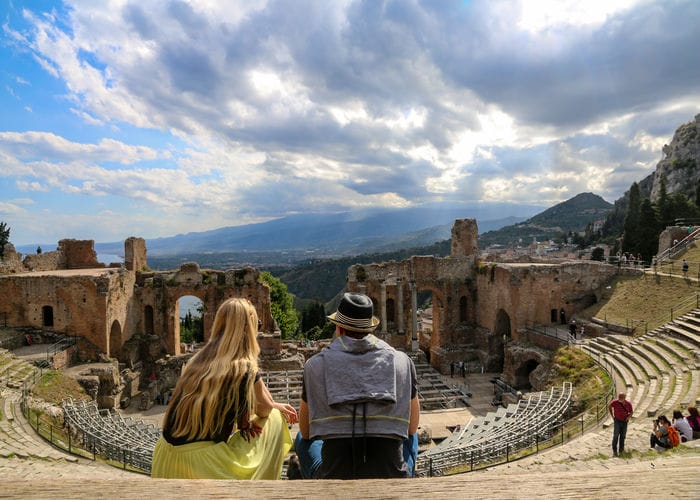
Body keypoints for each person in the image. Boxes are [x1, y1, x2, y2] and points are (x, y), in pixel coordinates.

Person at [151, 298, 298, 479]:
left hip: (165, 458)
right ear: (248, 328)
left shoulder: (195, 361)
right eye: (257, 325)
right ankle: (263, 488)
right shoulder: (242, 367)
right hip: (203, 464)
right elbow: (266, 409)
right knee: (275, 417)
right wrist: (273, 404)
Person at [296, 292, 420, 479]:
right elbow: (411, 428)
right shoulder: (402, 361)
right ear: (370, 327)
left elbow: (306, 432)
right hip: (391, 473)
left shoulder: (314, 365)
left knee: (301, 440)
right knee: (412, 437)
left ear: (339, 328)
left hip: (335, 476)